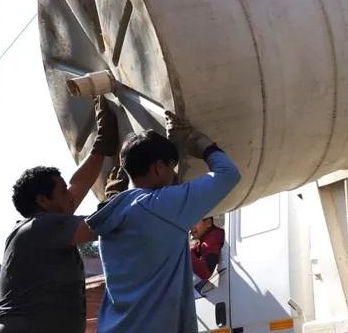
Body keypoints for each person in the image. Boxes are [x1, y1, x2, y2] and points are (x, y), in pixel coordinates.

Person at [88, 113, 241, 333]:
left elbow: (167, 204)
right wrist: (200, 144)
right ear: (159, 167)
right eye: (171, 167)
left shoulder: (115, 211)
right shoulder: (161, 206)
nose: (172, 175)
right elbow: (228, 174)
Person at [0, 97, 120, 333]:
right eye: (61, 191)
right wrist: (116, 194)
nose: (70, 195)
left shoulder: (39, 228)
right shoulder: (41, 228)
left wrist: (102, 145)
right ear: (43, 200)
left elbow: (78, 186)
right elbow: (103, 224)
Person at [190, 216, 225, 282]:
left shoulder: (214, 237)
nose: (190, 227)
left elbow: (205, 273)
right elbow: (196, 250)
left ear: (208, 223)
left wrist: (186, 252)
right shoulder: (204, 237)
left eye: (194, 221)